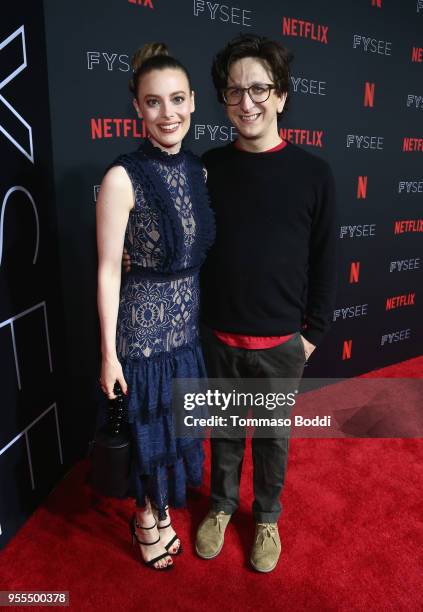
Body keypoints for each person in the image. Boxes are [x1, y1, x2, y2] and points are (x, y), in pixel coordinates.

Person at [194, 33, 337, 572]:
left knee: (273, 441)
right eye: (234, 92)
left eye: (259, 89)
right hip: (219, 335)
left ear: (281, 96)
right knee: (226, 432)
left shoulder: (314, 173)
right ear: (224, 100)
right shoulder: (208, 166)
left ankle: (267, 516)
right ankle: (221, 505)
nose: (247, 102)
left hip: (282, 342)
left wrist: (311, 336)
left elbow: (326, 261)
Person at [96, 42, 215, 570]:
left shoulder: (197, 170)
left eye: (177, 100)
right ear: (136, 108)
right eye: (153, 102)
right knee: (148, 429)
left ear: (193, 103)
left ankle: (162, 510)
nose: (168, 114)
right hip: (141, 337)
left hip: (185, 333)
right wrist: (108, 355)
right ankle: (146, 516)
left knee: (174, 427)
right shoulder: (122, 177)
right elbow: (105, 270)